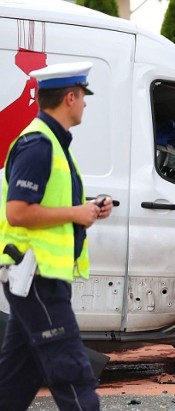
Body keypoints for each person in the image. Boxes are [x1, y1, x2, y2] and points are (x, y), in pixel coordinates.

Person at [0, 62, 113, 410]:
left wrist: (89, 210)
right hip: (36, 275)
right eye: (83, 97)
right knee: (72, 370)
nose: (85, 104)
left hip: (42, 275)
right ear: (69, 97)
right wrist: (75, 213)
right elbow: (17, 211)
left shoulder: (54, 143)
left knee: (18, 375)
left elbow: (53, 204)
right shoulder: (38, 145)